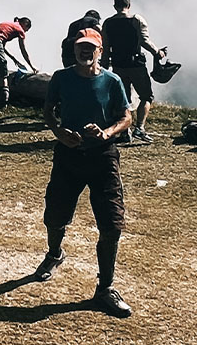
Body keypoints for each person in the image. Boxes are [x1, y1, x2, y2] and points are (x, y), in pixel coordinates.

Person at [35, 28, 134, 317]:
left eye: (91, 47)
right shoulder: (61, 78)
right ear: (74, 50)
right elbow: (48, 110)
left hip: (103, 157)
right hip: (68, 156)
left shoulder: (112, 80)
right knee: (55, 215)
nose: (85, 51)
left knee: (112, 225)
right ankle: (54, 254)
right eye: (80, 46)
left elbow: (126, 116)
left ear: (100, 52)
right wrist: (58, 131)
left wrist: (106, 133)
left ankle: (105, 289)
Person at [101, 0, 166, 143]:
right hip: (136, 64)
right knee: (146, 96)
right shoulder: (136, 20)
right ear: (129, 6)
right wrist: (157, 52)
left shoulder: (108, 23)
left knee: (124, 99)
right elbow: (144, 41)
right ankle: (140, 128)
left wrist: (104, 67)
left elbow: (105, 47)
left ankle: (125, 131)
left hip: (118, 65)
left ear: (114, 6)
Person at [0, 17, 36, 107]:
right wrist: (31, 66)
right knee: (2, 74)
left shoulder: (8, 25)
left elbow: (2, 46)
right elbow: (23, 50)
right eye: (27, 30)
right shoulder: (19, 29)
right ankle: (3, 103)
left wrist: (13, 58)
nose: (25, 32)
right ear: (25, 24)